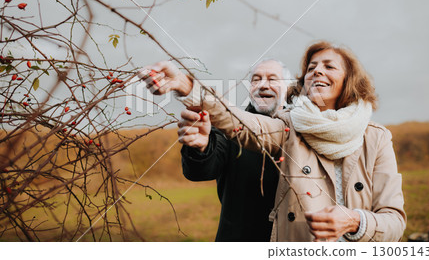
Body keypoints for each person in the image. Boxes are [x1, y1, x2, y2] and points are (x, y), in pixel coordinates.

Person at [138, 41, 406, 242]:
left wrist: (354, 221)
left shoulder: (376, 138)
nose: (317, 71)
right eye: (311, 67)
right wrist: (186, 86)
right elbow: (237, 123)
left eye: (328, 66)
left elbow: (393, 219)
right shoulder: (285, 127)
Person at [176, 59, 292, 241]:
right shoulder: (228, 131)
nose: (263, 85)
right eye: (256, 79)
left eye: (272, 79)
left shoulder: (300, 133)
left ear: (288, 89)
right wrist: (201, 147)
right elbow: (200, 171)